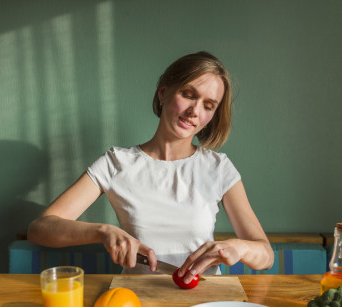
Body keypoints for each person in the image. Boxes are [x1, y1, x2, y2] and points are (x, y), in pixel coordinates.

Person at [28, 51, 273, 284]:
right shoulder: (116, 163)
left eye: (208, 106)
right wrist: (102, 231)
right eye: (188, 94)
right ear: (163, 92)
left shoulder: (219, 168)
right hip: (135, 302)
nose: (195, 111)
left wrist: (239, 247)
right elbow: (40, 228)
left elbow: (266, 256)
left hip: (204, 303)